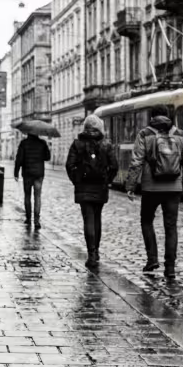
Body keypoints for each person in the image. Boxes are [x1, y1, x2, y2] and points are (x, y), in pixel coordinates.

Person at [125, 105, 183, 279]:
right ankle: (170, 268)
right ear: (168, 116)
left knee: (146, 221)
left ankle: (152, 259)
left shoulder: (145, 134)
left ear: (152, 116)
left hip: (151, 187)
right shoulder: (180, 134)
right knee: (171, 227)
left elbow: (136, 161)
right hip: (174, 188)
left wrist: (131, 185)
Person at [66, 115, 118, 268]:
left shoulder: (77, 144)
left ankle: (92, 254)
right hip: (100, 187)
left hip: (83, 187)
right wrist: (107, 180)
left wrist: (77, 180)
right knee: (97, 218)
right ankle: (96, 251)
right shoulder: (106, 144)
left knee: (88, 218)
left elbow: (69, 165)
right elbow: (114, 166)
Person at [14, 133, 51, 229]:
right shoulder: (42, 143)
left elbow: (19, 159)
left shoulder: (24, 143)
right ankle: (37, 220)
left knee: (27, 196)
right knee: (37, 197)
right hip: (38, 174)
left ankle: (28, 218)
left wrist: (16, 172)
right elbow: (47, 157)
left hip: (27, 173)